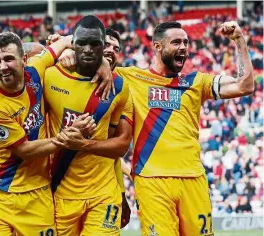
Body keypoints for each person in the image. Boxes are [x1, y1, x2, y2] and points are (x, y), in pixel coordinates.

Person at [59, 21, 254, 236]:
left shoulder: (196, 82)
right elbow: (93, 59)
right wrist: (68, 49)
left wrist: (239, 40)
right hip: (152, 180)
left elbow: (244, 86)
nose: (183, 47)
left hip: (193, 178)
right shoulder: (131, 78)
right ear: (158, 46)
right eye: (176, 42)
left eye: (186, 43)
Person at [0, 32, 84, 235]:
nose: (2, 66)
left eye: (9, 59)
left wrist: (78, 52)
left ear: (24, 60)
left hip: (37, 193)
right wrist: (68, 138)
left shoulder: (35, 71)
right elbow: (24, 150)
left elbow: (68, 39)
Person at [45, 15, 133, 236]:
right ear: (73, 43)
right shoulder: (51, 76)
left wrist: (82, 144)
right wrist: (62, 45)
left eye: (95, 44)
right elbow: (21, 53)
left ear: (103, 47)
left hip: (103, 193)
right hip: (60, 190)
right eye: (81, 43)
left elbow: (120, 145)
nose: (87, 49)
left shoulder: (119, 87)